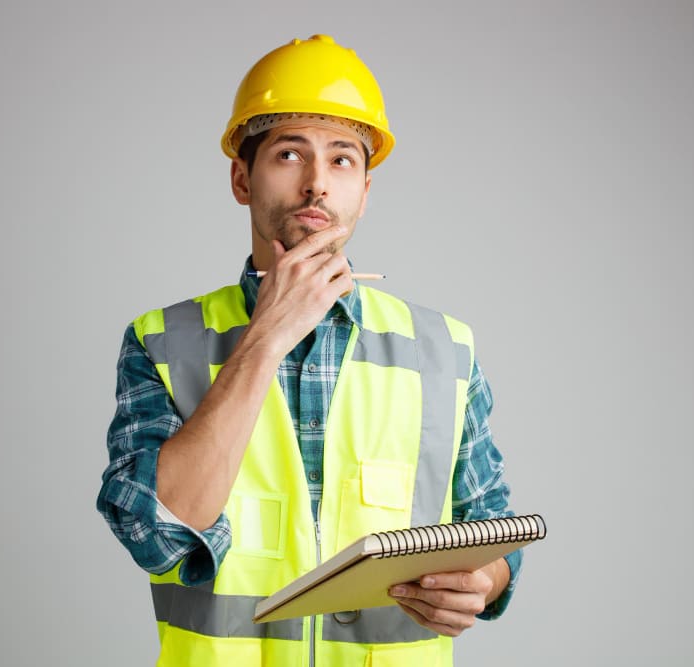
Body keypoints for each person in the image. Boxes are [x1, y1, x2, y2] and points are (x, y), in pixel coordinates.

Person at [97, 34, 523, 666]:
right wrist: (266, 337)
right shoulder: (163, 341)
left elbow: (491, 529)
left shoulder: (445, 349)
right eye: (289, 154)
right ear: (241, 178)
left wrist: (481, 582)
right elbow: (156, 534)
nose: (317, 183)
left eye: (342, 159)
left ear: (365, 192)